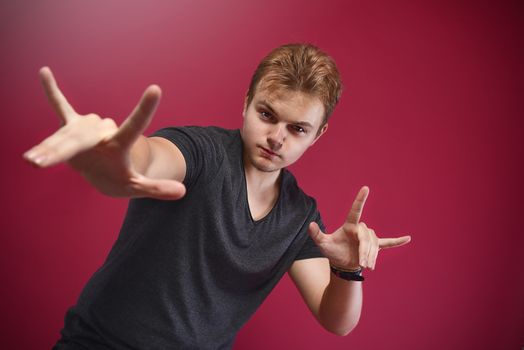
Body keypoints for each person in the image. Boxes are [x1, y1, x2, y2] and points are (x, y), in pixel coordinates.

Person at [24, 43, 411, 349]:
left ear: (318, 134)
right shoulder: (202, 152)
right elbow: (152, 157)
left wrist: (347, 270)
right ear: (246, 103)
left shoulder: (299, 215)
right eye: (266, 115)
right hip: (102, 343)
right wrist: (122, 159)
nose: (277, 137)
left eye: (297, 129)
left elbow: (336, 321)